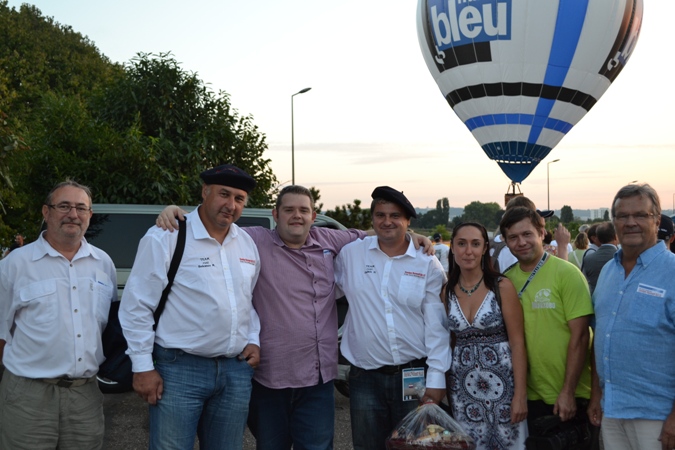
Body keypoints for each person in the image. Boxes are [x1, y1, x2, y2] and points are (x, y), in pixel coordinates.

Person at [157, 185, 434, 450]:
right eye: (288, 210)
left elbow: (377, 233)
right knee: (271, 446)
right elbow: (212, 225)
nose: (297, 216)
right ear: (275, 215)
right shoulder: (251, 240)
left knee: (317, 446)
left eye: (303, 210)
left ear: (314, 216)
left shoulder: (331, 240)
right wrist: (175, 211)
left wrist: (414, 237)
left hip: (318, 378)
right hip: (270, 376)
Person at [120, 164, 262, 450]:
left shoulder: (246, 243)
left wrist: (253, 339)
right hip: (179, 370)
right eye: (224, 194)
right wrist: (143, 367)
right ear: (205, 191)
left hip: (235, 373)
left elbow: (248, 300)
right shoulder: (167, 236)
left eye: (239, 198)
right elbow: (136, 306)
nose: (230, 205)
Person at [0, 180, 117, 449]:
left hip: (85, 396)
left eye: (80, 208)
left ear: (90, 214)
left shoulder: (103, 264)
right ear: (46, 212)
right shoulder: (14, 265)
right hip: (28, 396)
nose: (73, 214)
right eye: (63, 206)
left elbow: (107, 326)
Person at [334, 186, 450, 450]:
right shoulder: (351, 254)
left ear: (408, 221)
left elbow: (436, 327)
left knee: (414, 446)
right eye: (380, 215)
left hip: (413, 376)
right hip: (364, 379)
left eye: (395, 215)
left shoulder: (426, 262)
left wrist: (436, 378)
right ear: (372, 218)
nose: (387, 221)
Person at [588, 183, 675, 450]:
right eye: (623, 216)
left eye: (640, 215)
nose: (631, 222)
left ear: (657, 220)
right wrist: (596, 395)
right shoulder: (608, 272)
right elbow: (602, 336)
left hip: (657, 417)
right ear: (614, 222)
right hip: (612, 410)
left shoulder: (671, 271)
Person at [499, 206, 593, 431]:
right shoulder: (506, 280)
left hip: (570, 394)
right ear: (505, 241)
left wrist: (568, 392)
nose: (521, 242)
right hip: (530, 395)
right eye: (513, 237)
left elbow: (580, 337)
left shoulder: (567, 273)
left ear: (542, 233)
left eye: (527, 234)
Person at [446, 221, 528, 449]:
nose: (468, 251)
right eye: (461, 244)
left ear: (484, 249)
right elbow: (448, 343)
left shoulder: (501, 287)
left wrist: (520, 395)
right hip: (463, 391)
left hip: (504, 389)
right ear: (452, 247)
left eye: (475, 244)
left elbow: (518, 342)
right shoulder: (446, 291)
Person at [581, 222, 618, 295]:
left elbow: (583, 281)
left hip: (594, 299)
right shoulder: (622, 257)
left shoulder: (588, 258)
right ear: (615, 236)